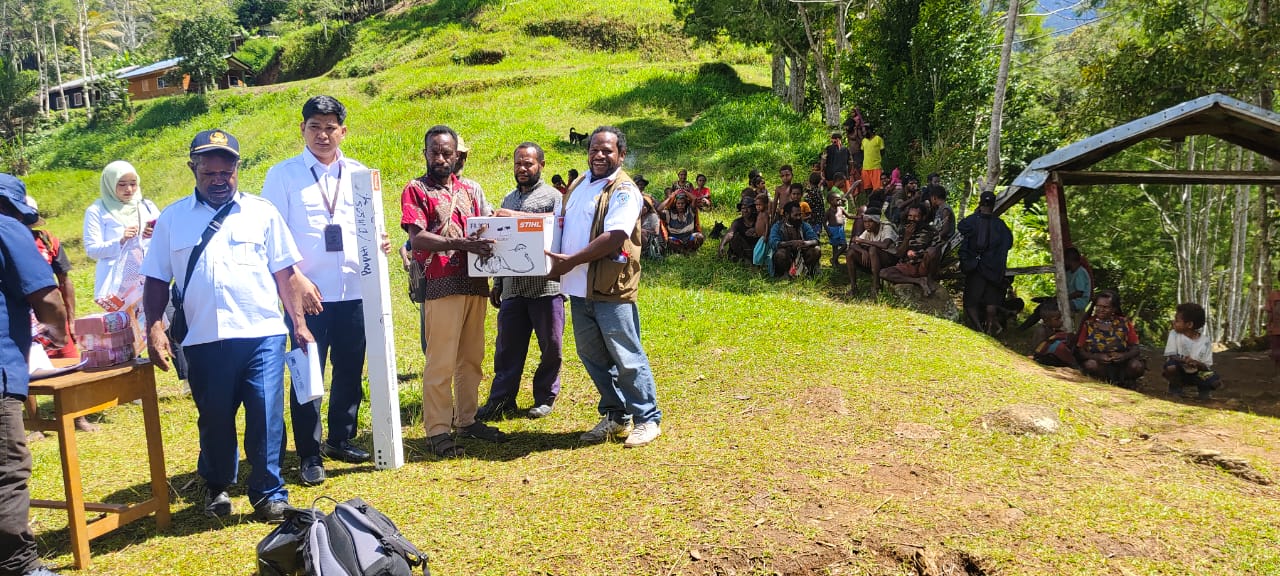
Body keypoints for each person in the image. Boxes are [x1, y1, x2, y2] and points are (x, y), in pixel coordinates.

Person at [141, 129, 315, 522]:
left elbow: (285, 274)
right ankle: (217, 486)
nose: (219, 180)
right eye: (210, 174)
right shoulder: (173, 219)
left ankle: (269, 493)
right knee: (215, 418)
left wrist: (299, 324)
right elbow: (156, 279)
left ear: (238, 169)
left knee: (266, 415)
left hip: (262, 335)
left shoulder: (262, 212)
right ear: (193, 170)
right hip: (204, 339)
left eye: (227, 173)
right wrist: (154, 327)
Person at [260, 95, 384, 487]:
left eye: (331, 128)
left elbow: (373, 226)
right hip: (307, 296)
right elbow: (272, 237)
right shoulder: (283, 175)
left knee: (349, 369)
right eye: (315, 127)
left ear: (343, 131)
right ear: (303, 129)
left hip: (354, 290)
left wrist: (379, 240)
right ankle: (310, 454)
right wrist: (297, 280)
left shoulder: (360, 174)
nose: (323, 135)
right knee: (307, 375)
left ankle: (341, 439)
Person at [547, 126, 663, 448]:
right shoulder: (580, 184)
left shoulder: (624, 190)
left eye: (607, 150)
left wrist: (570, 261)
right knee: (592, 354)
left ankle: (647, 418)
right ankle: (616, 414)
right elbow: (558, 223)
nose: (598, 155)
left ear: (621, 155)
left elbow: (615, 237)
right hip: (579, 286)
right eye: (593, 149)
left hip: (611, 286)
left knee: (626, 354)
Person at [401, 125, 506, 457]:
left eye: (447, 153)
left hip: (475, 283)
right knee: (441, 361)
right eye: (435, 152)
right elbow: (417, 238)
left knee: (471, 359)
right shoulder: (416, 189)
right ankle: (437, 430)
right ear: (425, 153)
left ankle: (466, 419)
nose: (441, 158)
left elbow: (487, 229)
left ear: (456, 155)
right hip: (440, 283)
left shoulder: (469, 190)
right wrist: (461, 243)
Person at [0, 174, 69, 576]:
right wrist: (59, 334)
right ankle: (18, 565)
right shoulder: (7, 228)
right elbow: (48, 298)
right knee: (7, 470)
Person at [475, 142, 565, 421]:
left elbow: (556, 222)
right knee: (507, 349)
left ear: (541, 165)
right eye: (518, 163)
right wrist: (498, 283)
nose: (522, 168)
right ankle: (501, 400)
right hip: (513, 287)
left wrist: (514, 217)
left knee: (551, 346)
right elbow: (501, 244)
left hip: (546, 286)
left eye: (528, 163)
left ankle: (545, 397)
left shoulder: (553, 197)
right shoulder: (508, 199)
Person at [83, 161, 162, 302]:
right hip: (117, 287)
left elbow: (164, 237)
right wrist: (121, 241)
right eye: (122, 184)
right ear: (110, 184)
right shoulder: (97, 211)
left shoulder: (146, 206)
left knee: (155, 315)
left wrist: (152, 234)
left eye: (133, 183)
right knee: (123, 317)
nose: (129, 189)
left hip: (148, 279)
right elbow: (92, 250)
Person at [958, 191, 1013, 334]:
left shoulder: (971, 221)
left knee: (971, 301)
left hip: (977, 267)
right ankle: (989, 329)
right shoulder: (1000, 225)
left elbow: (961, 227)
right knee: (991, 301)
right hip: (994, 268)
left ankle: (979, 328)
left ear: (980, 203)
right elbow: (1008, 243)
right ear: (993, 205)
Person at [1075, 290, 1144, 388]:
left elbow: (1135, 348)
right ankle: (1102, 381)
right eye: (1098, 306)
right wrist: (1097, 357)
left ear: (1114, 309)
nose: (1101, 310)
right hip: (1100, 365)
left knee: (1136, 366)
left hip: (1122, 365)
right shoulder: (1088, 324)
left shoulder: (1124, 323)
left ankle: (1126, 381)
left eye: (1105, 307)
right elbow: (1080, 350)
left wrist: (1124, 356)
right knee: (1091, 365)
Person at [1163, 302, 1219, 400]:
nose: (1173, 322)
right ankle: (1175, 390)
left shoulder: (1205, 341)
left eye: (1177, 321)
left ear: (1189, 324)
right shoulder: (1174, 334)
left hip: (1197, 372)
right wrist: (1185, 361)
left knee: (1214, 380)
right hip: (1180, 370)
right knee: (1171, 367)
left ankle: (1204, 393)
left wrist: (1196, 363)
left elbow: (1206, 365)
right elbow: (1171, 355)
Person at [879, 204, 938, 296]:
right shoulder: (903, 230)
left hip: (923, 265)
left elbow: (936, 251)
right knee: (883, 273)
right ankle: (918, 281)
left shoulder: (931, 231)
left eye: (916, 216)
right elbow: (898, 253)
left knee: (932, 251)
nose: (912, 219)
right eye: (910, 216)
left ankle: (929, 279)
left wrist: (917, 254)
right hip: (907, 266)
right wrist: (907, 237)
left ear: (923, 217)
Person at [846, 204, 898, 298]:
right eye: (865, 222)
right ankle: (853, 287)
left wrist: (863, 241)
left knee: (873, 249)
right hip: (875, 260)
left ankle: (876, 286)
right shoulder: (868, 231)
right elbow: (853, 244)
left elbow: (885, 245)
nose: (867, 224)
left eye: (870, 221)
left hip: (890, 260)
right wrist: (862, 251)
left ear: (877, 221)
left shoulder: (887, 228)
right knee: (850, 253)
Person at [768, 201, 820, 279]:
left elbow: (815, 240)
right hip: (786, 256)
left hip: (802, 255)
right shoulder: (777, 226)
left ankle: (808, 272)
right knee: (780, 254)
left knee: (816, 250)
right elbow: (773, 242)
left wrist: (806, 243)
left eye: (800, 214)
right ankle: (784, 273)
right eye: (796, 215)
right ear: (786, 215)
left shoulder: (804, 225)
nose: (799, 217)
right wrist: (791, 243)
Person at [1029, 304, 1077, 368]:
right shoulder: (1042, 330)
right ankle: (1072, 362)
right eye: (1057, 319)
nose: (1061, 321)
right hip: (1041, 355)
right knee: (1058, 346)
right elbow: (1039, 347)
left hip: (1049, 355)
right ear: (1047, 320)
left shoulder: (1052, 329)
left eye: (1061, 318)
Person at [659, 189, 704, 254]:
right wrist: (671, 197)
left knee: (699, 237)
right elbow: (659, 209)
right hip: (676, 240)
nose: (680, 205)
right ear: (675, 204)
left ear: (685, 204)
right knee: (669, 241)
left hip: (689, 238)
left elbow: (694, 199)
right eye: (678, 203)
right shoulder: (669, 213)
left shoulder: (690, 210)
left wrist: (684, 191)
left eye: (682, 203)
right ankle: (685, 251)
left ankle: (687, 250)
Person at [719, 197, 762, 262]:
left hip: (756, 249)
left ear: (753, 209)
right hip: (743, 249)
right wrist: (722, 245)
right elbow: (730, 233)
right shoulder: (737, 222)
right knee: (735, 237)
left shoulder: (759, 220)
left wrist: (756, 230)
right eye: (743, 208)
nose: (745, 210)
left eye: (748, 208)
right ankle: (742, 258)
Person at [1065, 247, 1091, 316]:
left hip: (1079, 302)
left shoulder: (1080, 272)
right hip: (1070, 300)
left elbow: (1079, 293)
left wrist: (1063, 298)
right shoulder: (1068, 273)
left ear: (1068, 260)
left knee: (1057, 306)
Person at [825, 191, 849, 268]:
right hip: (833, 230)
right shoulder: (828, 212)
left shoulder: (841, 209)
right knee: (835, 247)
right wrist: (828, 231)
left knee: (844, 245)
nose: (840, 201)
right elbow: (824, 222)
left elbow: (849, 216)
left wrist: (858, 217)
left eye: (840, 199)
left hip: (840, 229)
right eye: (837, 199)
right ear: (831, 201)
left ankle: (833, 259)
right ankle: (835, 262)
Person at [860, 124, 885, 192]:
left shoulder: (878, 139)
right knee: (867, 189)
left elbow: (882, 151)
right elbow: (862, 152)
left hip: (875, 168)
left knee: (877, 189)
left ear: (869, 130)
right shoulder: (864, 140)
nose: (863, 133)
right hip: (865, 168)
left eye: (864, 131)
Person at [639, 194, 664, 259]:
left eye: (644, 206)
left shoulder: (653, 216)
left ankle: (646, 252)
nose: (642, 208)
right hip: (642, 239)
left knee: (641, 232)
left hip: (654, 242)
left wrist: (644, 231)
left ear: (648, 207)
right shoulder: (638, 217)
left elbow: (656, 232)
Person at [1266, 271, 1280, 381]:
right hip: (1276, 329)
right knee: (1277, 353)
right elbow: (1270, 312)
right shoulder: (1273, 295)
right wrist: (1269, 326)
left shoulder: (1273, 295)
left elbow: (1270, 312)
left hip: (1275, 328)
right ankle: (1278, 374)